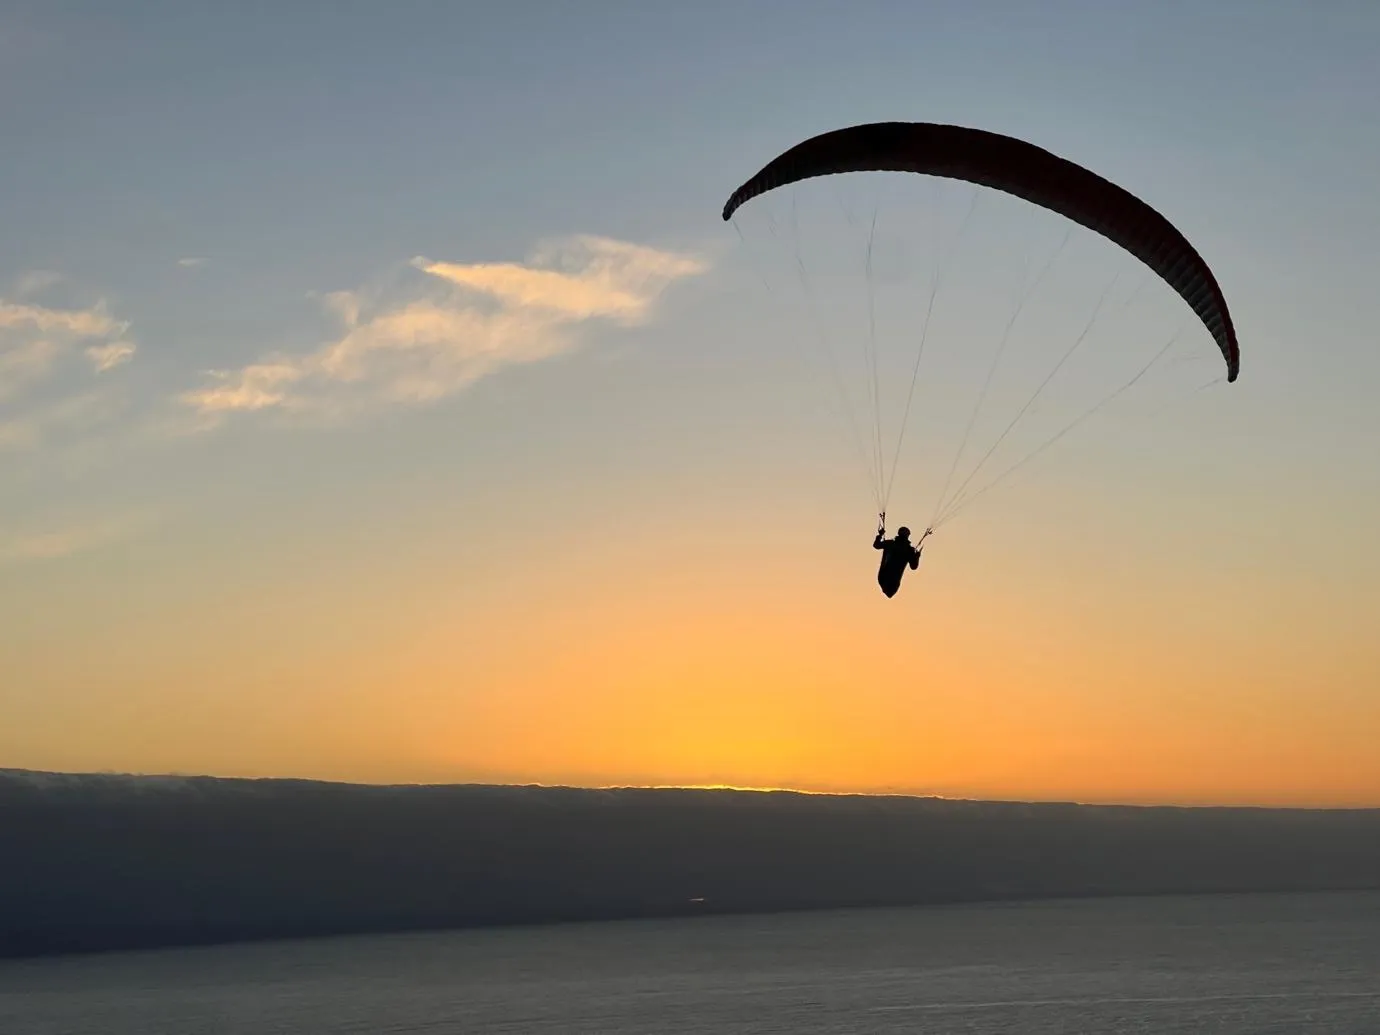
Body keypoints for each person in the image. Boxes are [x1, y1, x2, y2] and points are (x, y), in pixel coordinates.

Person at [873, 522, 929, 598]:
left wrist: (880, 535)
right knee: (890, 592)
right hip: (892, 581)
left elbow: (876, 545)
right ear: (908, 536)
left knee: (889, 591)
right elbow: (914, 567)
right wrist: (917, 556)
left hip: (884, 577)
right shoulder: (909, 550)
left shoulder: (890, 543)